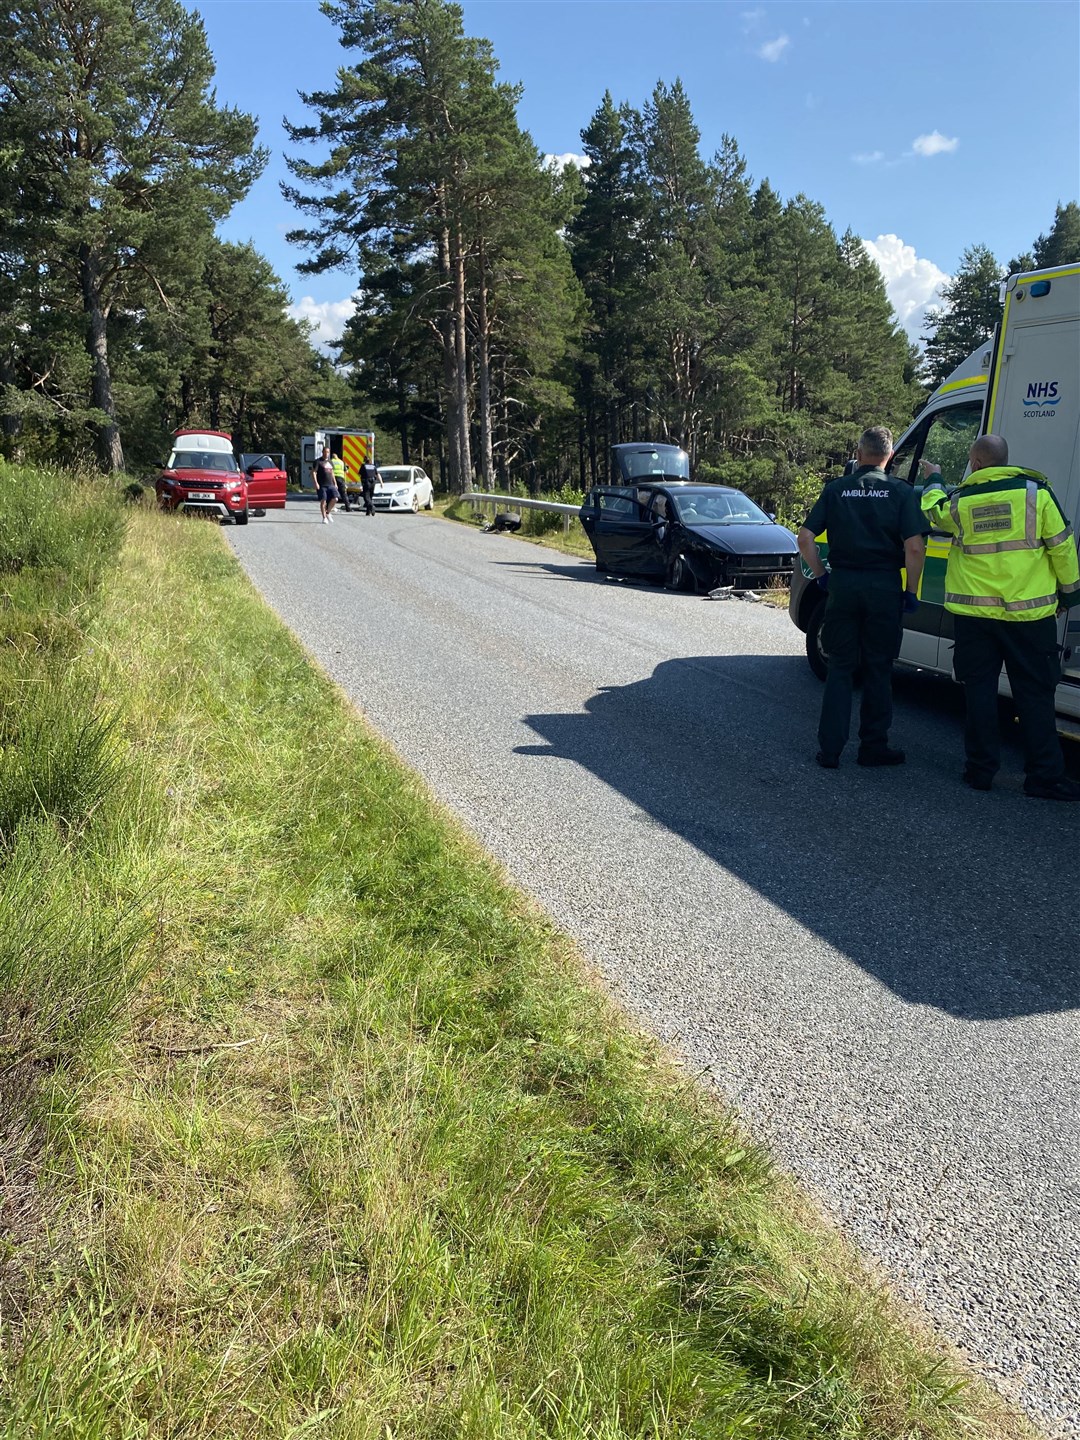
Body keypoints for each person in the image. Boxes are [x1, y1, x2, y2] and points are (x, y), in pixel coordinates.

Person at [920, 434, 1080, 800]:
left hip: (975, 618)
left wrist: (933, 478)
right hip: (1029, 617)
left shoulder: (959, 502)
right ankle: (1044, 776)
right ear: (1005, 460)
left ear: (976, 464)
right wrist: (1070, 595)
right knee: (1035, 696)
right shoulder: (1036, 495)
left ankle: (980, 771)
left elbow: (932, 510)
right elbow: (1063, 547)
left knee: (979, 692)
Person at [797, 425, 926, 768]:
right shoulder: (902, 492)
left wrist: (822, 577)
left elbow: (805, 538)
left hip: (843, 586)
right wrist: (911, 591)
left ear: (858, 453)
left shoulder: (836, 489)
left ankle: (830, 750)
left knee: (840, 667)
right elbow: (914, 547)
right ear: (891, 457)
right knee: (879, 668)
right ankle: (873, 747)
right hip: (884, 588)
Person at [312, 444, 337, 525]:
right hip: (322, 485)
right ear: (322, 452)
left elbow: (332, 473)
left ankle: (328, 512)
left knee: (335, 499)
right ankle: (324, 518)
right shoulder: (318, 462)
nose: (327, 453)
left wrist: (335, 483)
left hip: (331, 485)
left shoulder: (330, 462)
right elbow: (314, 472)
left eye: (328, 452)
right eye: (325, 452)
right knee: (323, 500)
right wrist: (316, 483)